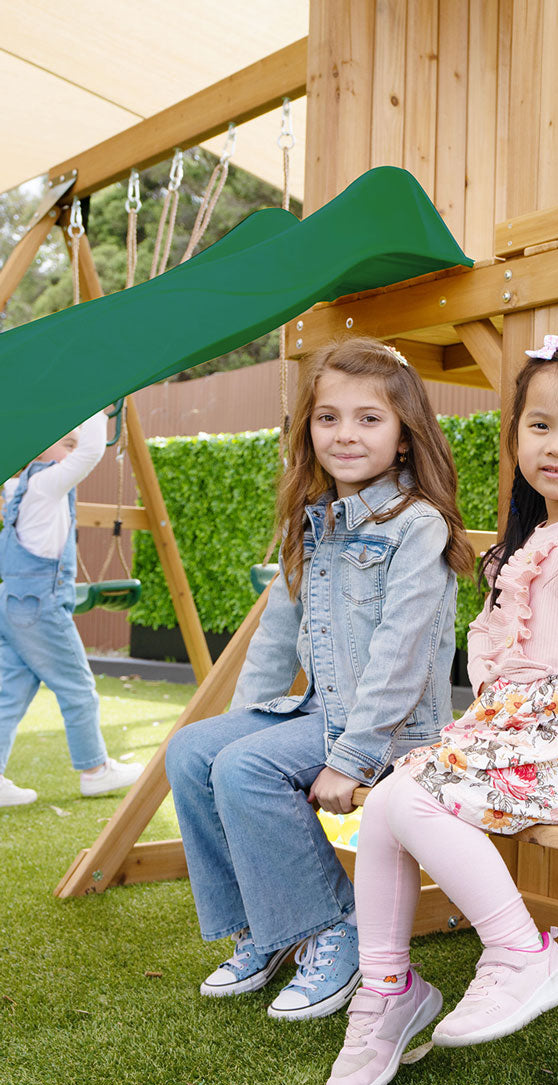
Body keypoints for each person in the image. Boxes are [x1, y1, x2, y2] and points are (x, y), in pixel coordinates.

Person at [326, 342, 558, 1085]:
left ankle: (521, 953)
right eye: (540, 426)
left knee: (407, 795)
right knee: (387, 801)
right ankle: (387, 989)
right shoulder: (528, 547)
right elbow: (498, 669)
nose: (555, 447)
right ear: (516, 435)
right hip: (521, 732)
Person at [164, 338, 474, 1022]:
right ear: (308, 429)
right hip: (316, 710)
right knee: (194, 751)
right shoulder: (312, 525)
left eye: (369, 419)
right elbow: (275, 639)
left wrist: (352, 758)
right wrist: (229, 733)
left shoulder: (416, 526)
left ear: (402, 438)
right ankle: (267, 931)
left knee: (244, 769)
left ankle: (340, 927)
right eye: (328, 417)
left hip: (390, 730)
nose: (345, 433)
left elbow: (401, 655)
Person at [0, 412, 144, 807]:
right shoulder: (45, 483)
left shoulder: (17, 489)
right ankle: (95, 770)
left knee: (8, 692)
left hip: (12, 602)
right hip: (39, 606)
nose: (72, 450)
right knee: (78, 688)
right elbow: (93, 451)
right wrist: (97, 407)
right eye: (66, 443)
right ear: (35, 451)